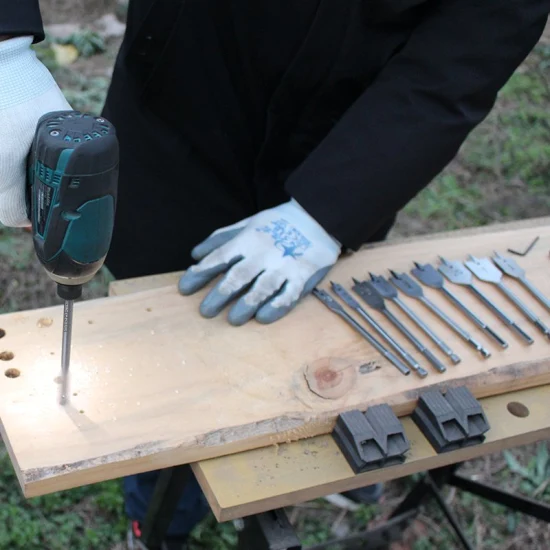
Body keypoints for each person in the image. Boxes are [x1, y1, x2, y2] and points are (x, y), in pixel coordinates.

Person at [1, 1, 549, 548]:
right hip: (179, 102)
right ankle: (160, 520)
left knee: (303, 350)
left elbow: (464, 56)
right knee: (157, 366)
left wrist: (328, 211)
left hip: (348, 138)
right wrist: (6, 51)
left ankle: (308, 469)